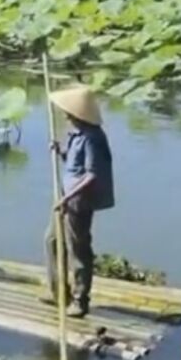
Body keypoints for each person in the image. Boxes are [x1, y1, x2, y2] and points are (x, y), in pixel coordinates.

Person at [46, 85, 114, 319]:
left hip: (77, 202)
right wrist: (60, 152)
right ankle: (59, 292)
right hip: (66, 199)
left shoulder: (93, 138)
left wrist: (66, 198)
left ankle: (80, 300)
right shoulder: (76, 134)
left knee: (78, 249)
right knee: (53, 241)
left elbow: (91, 174)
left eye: (69, 112)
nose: (65, 115)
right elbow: (74, 165)